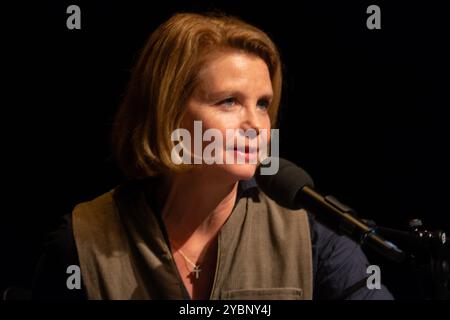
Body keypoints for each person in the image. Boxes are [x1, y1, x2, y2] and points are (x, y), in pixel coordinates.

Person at [32, 12, 393, 300]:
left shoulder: (311, 235)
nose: (256, 124)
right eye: (229, 101)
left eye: (263, 104)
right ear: (168, 111)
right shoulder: (83, 239)